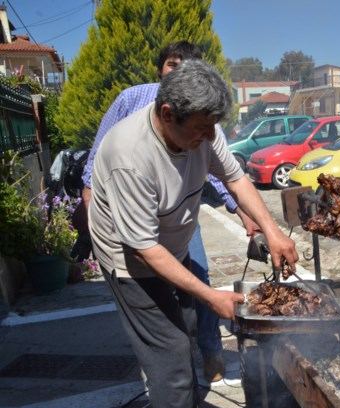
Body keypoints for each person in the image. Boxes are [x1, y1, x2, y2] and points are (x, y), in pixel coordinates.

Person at [88, 58, 298, 408]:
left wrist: (273, 230)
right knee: (168, 359)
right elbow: (144, 249)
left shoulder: (204, 130)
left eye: (212, 128)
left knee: (184, 334)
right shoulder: (130, 156)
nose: (208, 137)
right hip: (132, 262)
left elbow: (235, 180)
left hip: (173, 245)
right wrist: (210, 295)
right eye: (201, 129)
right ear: (167, 113)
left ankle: (180, 407)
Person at [81, 41, 259, 384]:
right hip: (132, 244)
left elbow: (228, 175)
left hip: (176, 221)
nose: (180, 72)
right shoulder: (130, 124)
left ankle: (203, 359)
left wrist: (261, 221)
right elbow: (142, 245)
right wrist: (92, 224)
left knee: (192, 302)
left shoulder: (204, 119)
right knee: (171, 350)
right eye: (174, 64)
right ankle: (173, 385)